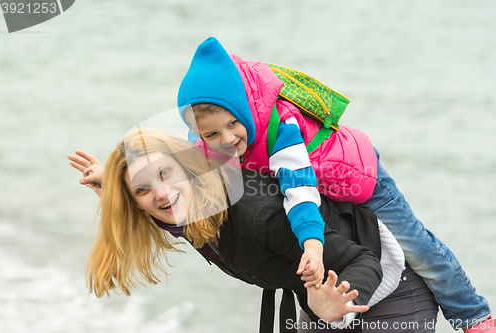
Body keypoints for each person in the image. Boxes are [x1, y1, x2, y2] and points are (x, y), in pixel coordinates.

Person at [176, 36, 494, 332]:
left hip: (357, 177)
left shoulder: (282, 127)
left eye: (233, 124)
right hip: (325, 191)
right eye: (212, 134)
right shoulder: (205, 141)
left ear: (244, 109)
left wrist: (313, 245)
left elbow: (299, 192)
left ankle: (474, 316)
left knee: (418, 247)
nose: (227, 139)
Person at [68, 128, 439, 332]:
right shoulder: (184, 210)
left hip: (391, 295)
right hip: (319, 302)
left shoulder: (258, 215)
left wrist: (334, 305)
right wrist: (114, 186)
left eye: (165, 173)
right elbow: (156, 209)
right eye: (142, 189)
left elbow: (362, 259)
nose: (161, 194)